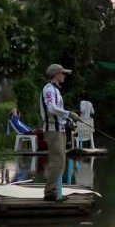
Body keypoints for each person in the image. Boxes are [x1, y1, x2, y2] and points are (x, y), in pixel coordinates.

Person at [40, 64, 80, 202]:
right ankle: (50, 193)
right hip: (53, 131)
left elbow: (57, 112)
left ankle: (53, 191)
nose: (64, 75)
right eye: (62, 73)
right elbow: (51, 109)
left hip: (59, 130)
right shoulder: (49, 89)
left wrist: (67, 119)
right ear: (56, 74)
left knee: (60, 162)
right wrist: (69, 113)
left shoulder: (56, 90)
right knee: (58, 162)